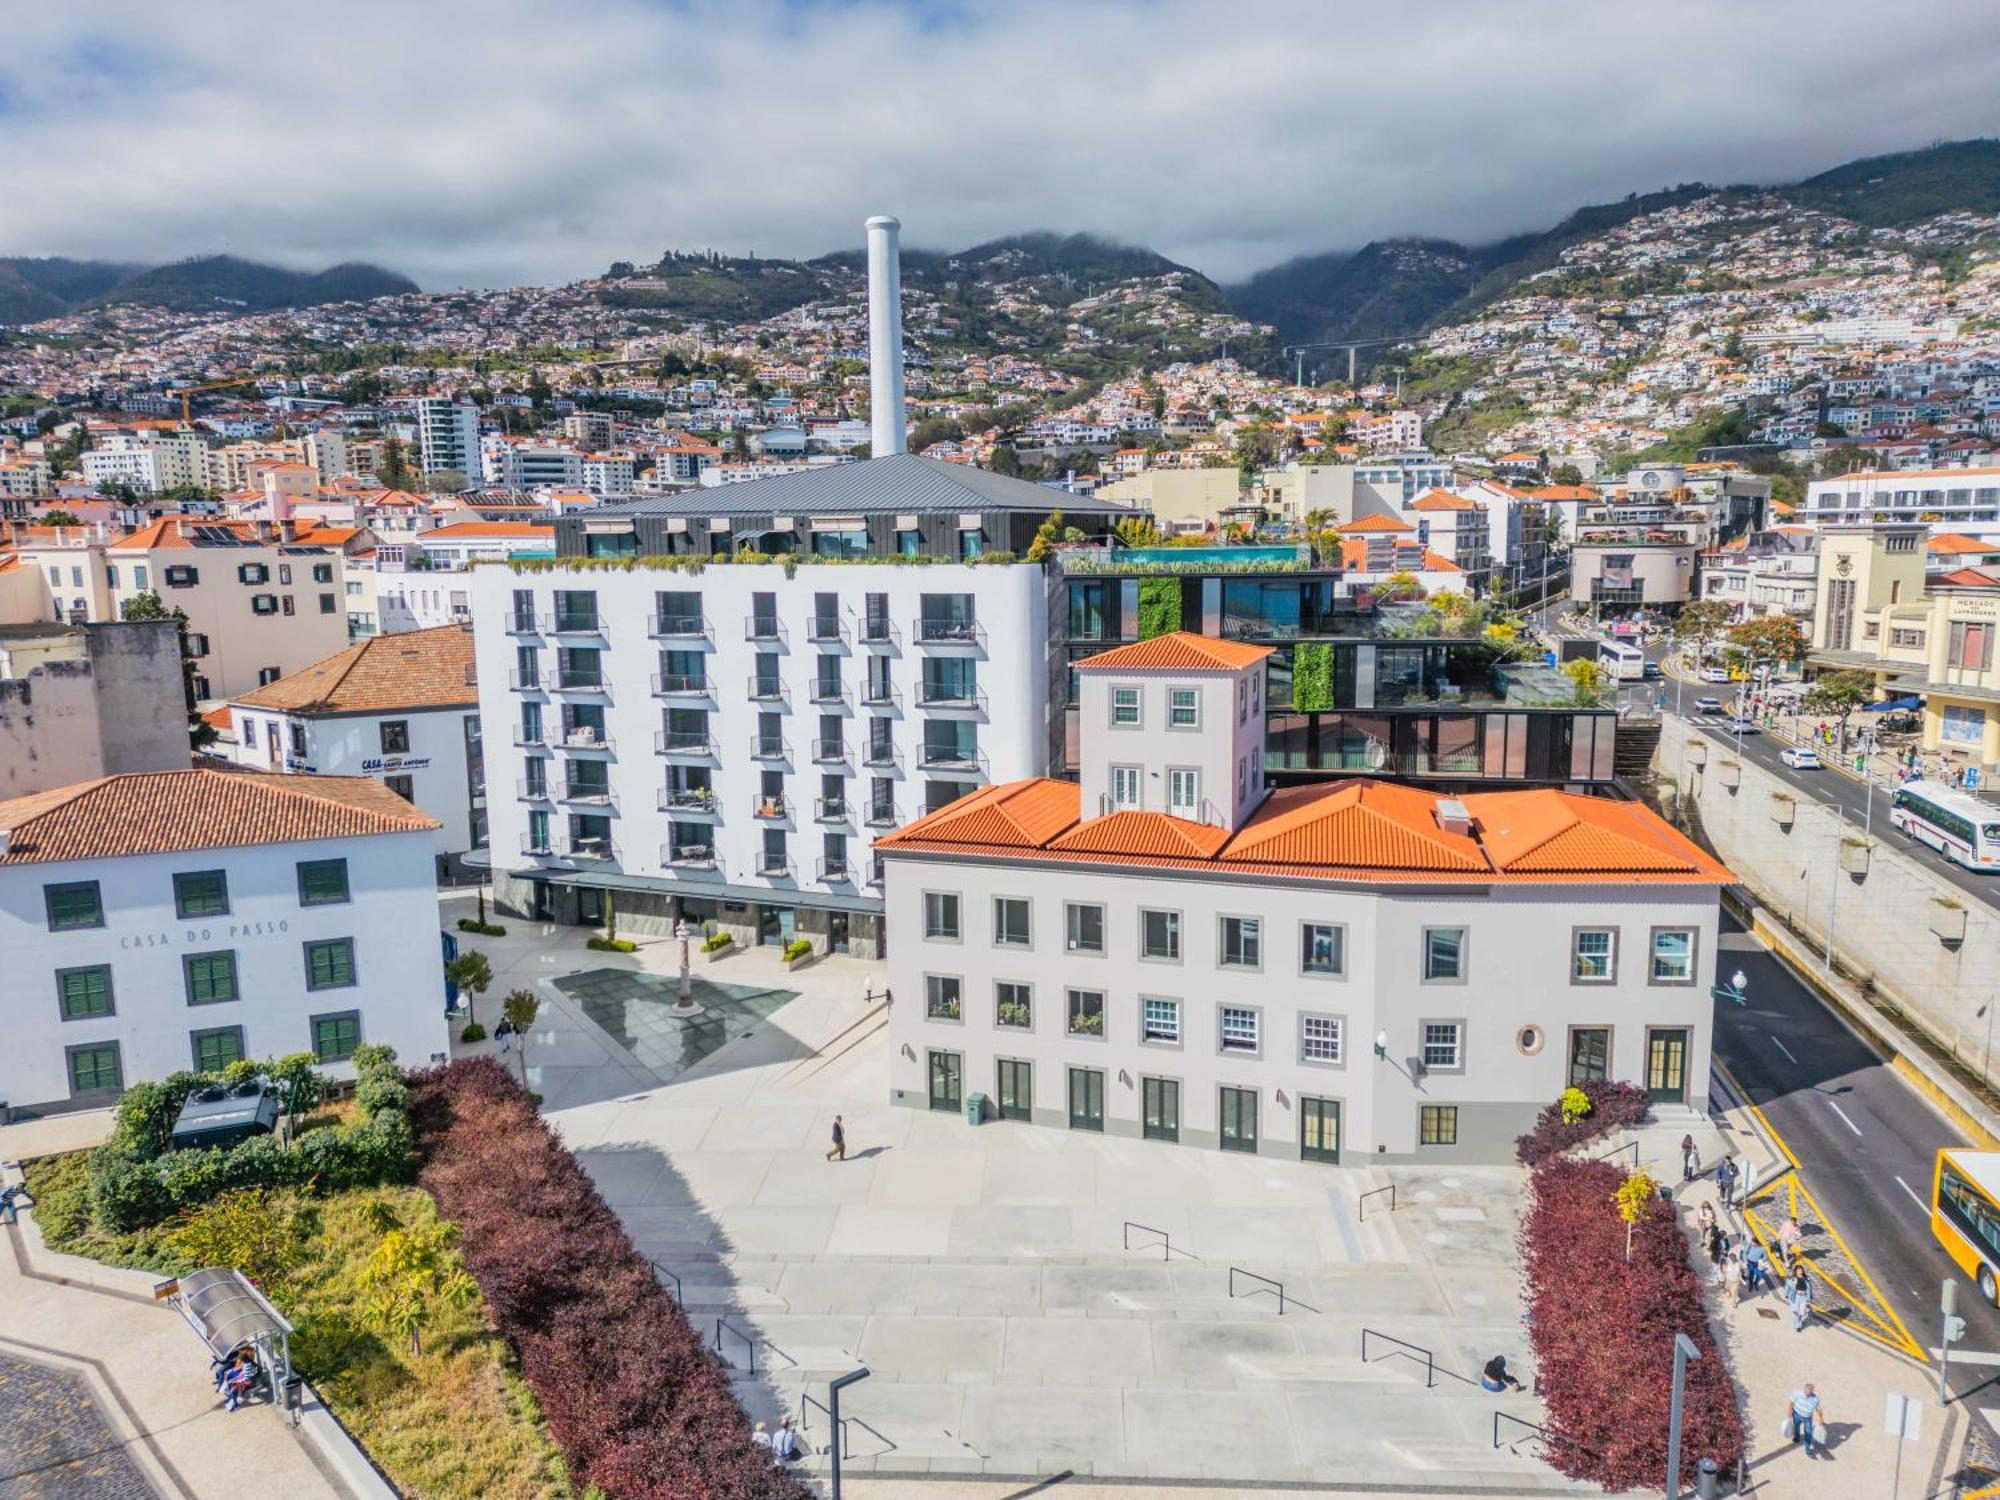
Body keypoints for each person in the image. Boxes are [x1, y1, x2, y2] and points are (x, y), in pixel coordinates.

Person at [1789, 1384, 1824, 1459]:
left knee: (1808, 1434)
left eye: (1810, 1392)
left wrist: (1821, 1419)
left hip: (1807, 1418)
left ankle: (1807, 1450)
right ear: (1804, 1390)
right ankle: (1797, 1437)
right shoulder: (1797, 1394)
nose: (1807, 1394)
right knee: (1796, 1427)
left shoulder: (1815, 1399)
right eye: (1806, 1391)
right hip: (1796, 1414)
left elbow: (1818, 1410)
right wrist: (1789, 1414)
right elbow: (1791, 1403)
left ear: (1812, 1391)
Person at [1788, 1267, 1814, 1332]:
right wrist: (1787, 1294)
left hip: (1804, 1297)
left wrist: (1810, 1297)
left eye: (1801, 1270)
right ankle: (1798, 1326)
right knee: (1796, 1312)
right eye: (1798, 1270)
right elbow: (1788, 1286)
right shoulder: (1793, 1279)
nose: (1800, 1272)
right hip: (1796, 1296)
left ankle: (1798, 1321)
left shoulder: (1806, 1278)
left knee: (1803, 1312)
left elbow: (1809, 1288)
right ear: (1796, 1271)